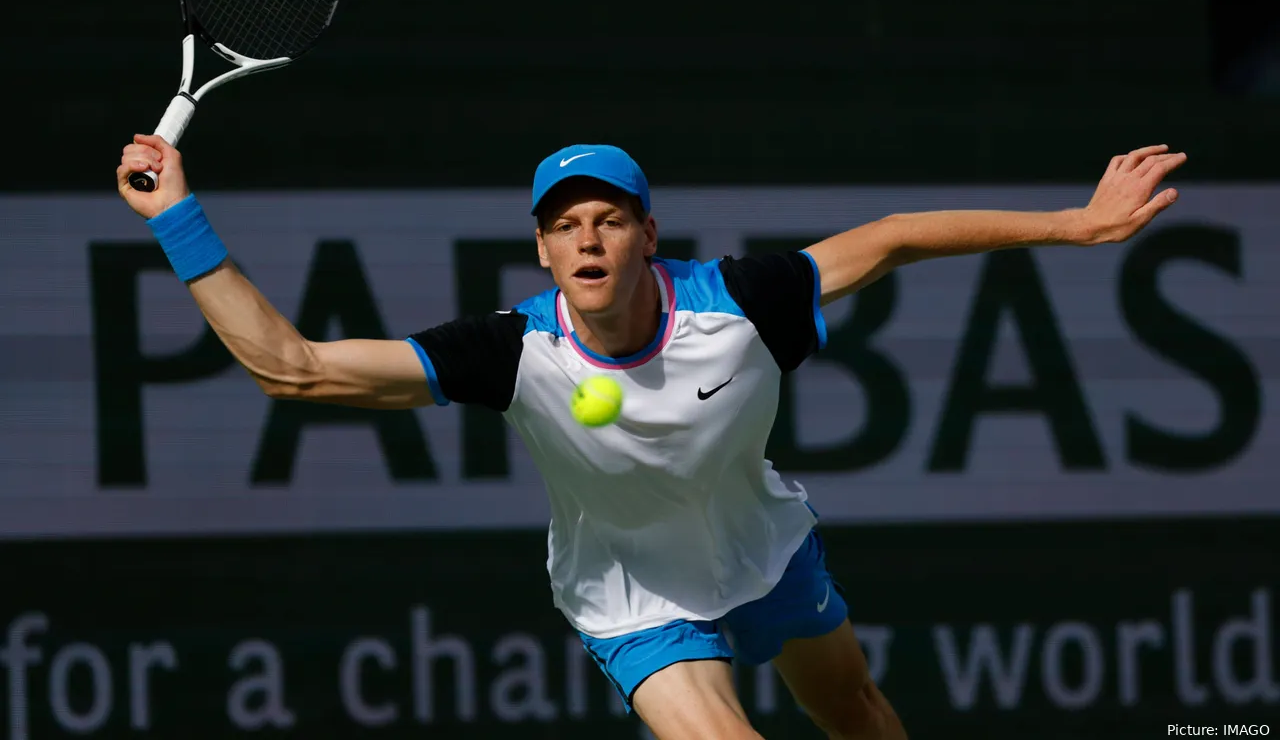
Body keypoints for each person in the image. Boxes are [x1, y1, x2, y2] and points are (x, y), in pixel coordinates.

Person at [116, 134, 1186, 740]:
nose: (588, 235)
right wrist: (178, 217)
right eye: (565, 223)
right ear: (541, 249)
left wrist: (1075, 223)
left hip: (766, 551)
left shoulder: (743, 300)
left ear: (645, 236)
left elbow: (897, 237)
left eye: (609, 217)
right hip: (634, 600)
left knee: (855, 707)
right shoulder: (512, 352)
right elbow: (289, 366)